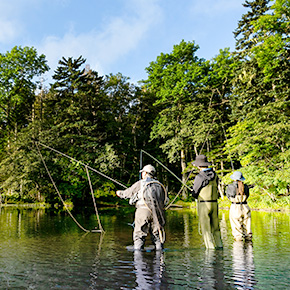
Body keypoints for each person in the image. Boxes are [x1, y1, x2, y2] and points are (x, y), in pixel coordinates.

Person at [116, 164, 167, 250]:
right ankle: (160, 257)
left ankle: (138, 258)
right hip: (157, 212)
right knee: (157, 236)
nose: (142, 174)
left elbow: (127, 193)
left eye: (143, 172)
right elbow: (165, 199)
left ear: (145, 173)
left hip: (143, 210)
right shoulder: (160, 185)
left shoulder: (140, 183)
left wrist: (119, 193)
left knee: (139, 235)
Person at [191, 155, 223, 249]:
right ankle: (219, 246)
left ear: (198, 166)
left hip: (204, 204)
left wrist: (193, 194)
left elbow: (195, 191)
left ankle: (210, 249)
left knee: (206, 229)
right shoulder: (215, 175)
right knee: (216, 228)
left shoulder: (199, 176)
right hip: (214, 204)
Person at [226, 171, 252, 241]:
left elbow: (228, 196)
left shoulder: (230, 186)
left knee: (236, 227)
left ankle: (238, 246)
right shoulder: (246, 186)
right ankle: (248, 243)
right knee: (247, 225)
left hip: (235, 207)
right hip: (245, 206)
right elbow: (248, 195)